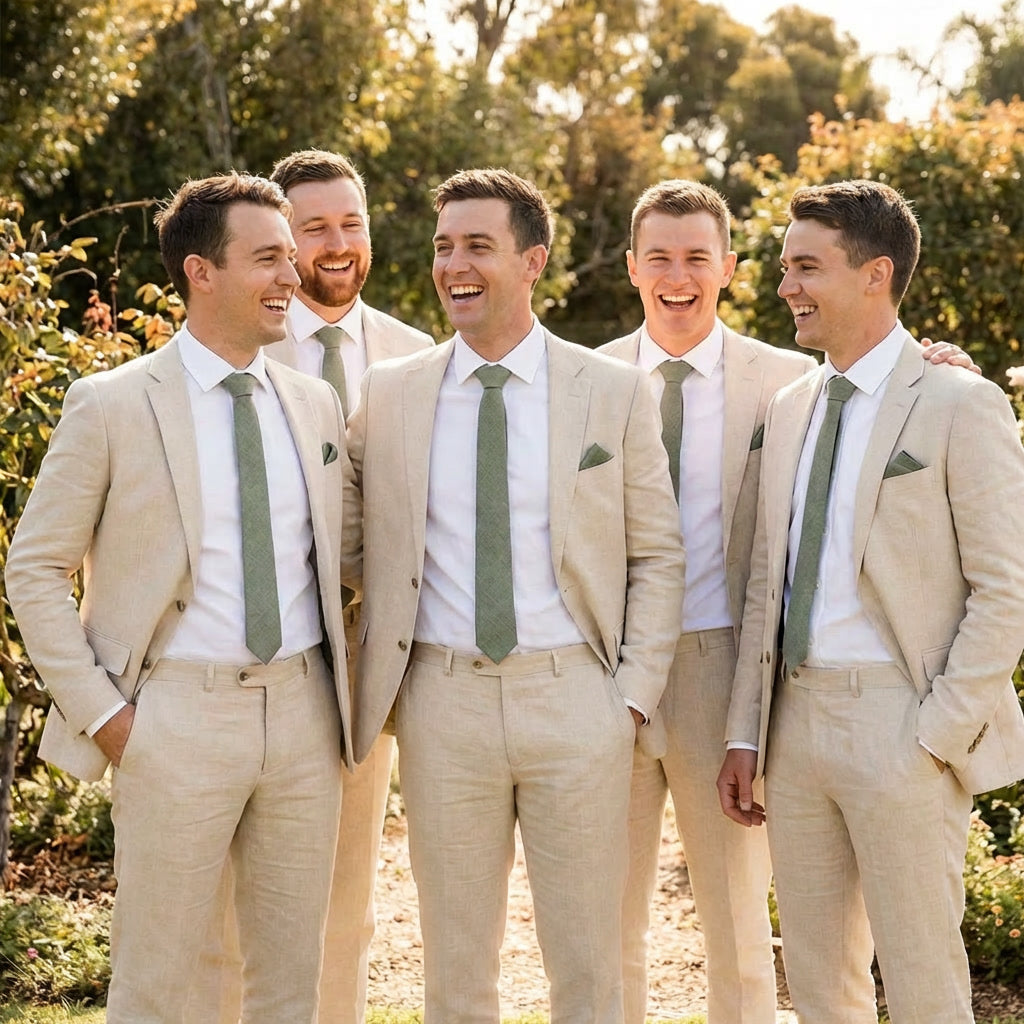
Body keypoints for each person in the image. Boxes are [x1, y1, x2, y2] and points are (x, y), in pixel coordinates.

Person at [5, 172, 362, 1024]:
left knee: (290, 987)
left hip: (304, 718)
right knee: (156, 986)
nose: (293, 276)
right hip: (173, 721)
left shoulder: (314, 404)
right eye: (268, 258)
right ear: (201, 272)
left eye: (291, 257)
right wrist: (107, 716)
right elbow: (34, 568)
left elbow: (347, 556)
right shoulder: (111, 404)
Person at [345, 167, 686, 1024]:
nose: (454, 266)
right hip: (442, 702)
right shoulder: (391, 392)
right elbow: (344, 532)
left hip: (577, 701)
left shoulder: (613, 390)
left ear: (532, 261)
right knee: (455, 967)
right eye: (443, 247)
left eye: (478, 246)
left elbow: (657, 553)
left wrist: (630, 698)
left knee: (590, 963)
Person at [717, 179, 1024, 1024]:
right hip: (794, 728)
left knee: (924, 985)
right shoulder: (790, 408)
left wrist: (933, 737)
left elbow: (1006, 591)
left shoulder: (961, 402)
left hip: (903, 723)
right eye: (785, 267)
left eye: (806, 268)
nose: (786, 286)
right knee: (818, 986)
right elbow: (766, 582)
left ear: (875, 273)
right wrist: (747, 732)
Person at [194, 148, 432, 1024]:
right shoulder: (232, 346)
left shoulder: (419, 357)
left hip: (367, 672)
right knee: (223, 921)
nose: (336, 244)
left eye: (351, 223)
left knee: (348, 907)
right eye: (314, 228)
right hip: (255, 664)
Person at [599, 179, 815, 1024]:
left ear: (728, 267)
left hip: (723, 670)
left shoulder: (789, 380)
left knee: (736, 925)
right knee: (601, 923)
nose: (677, 276)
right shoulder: (586, 379)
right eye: (658, 257)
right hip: (607, 672)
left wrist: (947, 361)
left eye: (697, 257)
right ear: (631, 267)